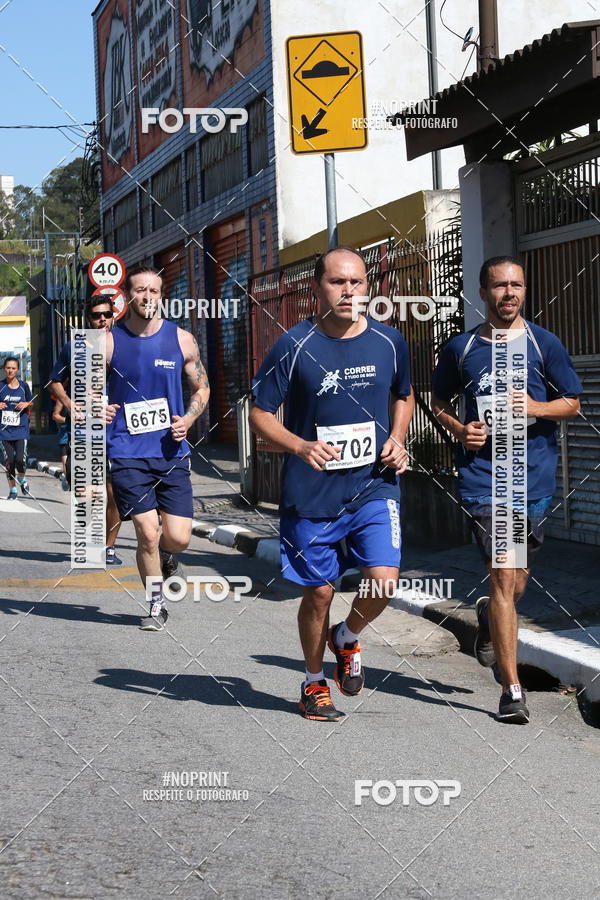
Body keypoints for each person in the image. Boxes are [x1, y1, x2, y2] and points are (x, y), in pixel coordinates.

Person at [249, 247, 414, 721]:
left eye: (357, 282)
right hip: (312, 495)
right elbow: (258, 412)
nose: (349, 291)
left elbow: (403, 395)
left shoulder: (388, 341)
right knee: (319, 592)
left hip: (374, 486)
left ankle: (346, 636)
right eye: (338, 282)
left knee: (383, 582)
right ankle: (313, 681)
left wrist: (398, 439)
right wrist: (299, 446)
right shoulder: (294, 346)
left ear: (367, 287)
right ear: (317, 287)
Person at [432, 255, 583, 724]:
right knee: (504, 572)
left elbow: (573, 403)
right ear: (483, 294)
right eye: (499, 286)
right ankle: (511, 689)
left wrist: (538, 407)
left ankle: (485, 615)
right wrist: (459, 430)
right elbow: (436, 400)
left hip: (532, 478)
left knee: (514, 582)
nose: (509, 293)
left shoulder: (544, 345)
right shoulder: (461, 349)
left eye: (516, 285)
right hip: (484, 481)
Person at [104, 265, 210, 630]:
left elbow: (202, 389)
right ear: (127, 296)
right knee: (147, 531)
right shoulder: (109, 341)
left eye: (154, 291)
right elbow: (80, 388)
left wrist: (189, 419)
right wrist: (95, 407)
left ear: (161, 295)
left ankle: (167, 555)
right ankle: (155, 605)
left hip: (171, 454)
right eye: (140, 291)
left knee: (177, 538)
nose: (147, 297)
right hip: (127, 452)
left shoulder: (182, 340)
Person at [49, 297, 125, 563]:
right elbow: (55, 381)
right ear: (88, 319)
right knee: (86, 492)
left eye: (106, 314)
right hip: (85, 429)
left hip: (118, 429)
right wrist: (69, 404)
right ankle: (89, 542)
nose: (101, 319)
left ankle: (108, 547)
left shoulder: (124, 344)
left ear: (113, 315)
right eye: (96, 315)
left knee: (115, 493)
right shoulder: (74, 347)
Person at [0, 356, 33, 499]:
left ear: (18, 370)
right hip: (4, 431)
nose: (10, 370)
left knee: (20, 459)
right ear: (4, 369)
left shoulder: (23, 386)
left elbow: (31, 401)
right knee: (9, 461)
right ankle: (12, 489)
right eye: (8, 368)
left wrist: (26, 404)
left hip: (21, 429)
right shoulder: (1, 386)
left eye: (13, 368)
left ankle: (22, 478)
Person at [52, 396, 70, 491]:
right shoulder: (63, 397)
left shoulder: (88, 396)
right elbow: (55, 416)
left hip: (83, 436)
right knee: (67, 468)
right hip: (65, 437)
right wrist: (69, 420)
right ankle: (67, 478)